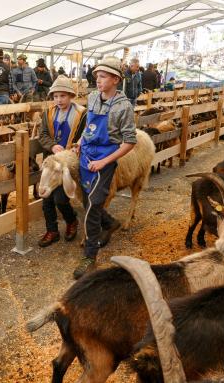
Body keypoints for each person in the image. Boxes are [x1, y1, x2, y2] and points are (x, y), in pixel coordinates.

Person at [72, 56, 136, 279]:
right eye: (96, 76)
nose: (97, 81)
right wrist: (80, 142)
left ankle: (90, 256)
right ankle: (110, 223)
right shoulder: (92, 97)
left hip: (104, 160)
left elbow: (129, 141)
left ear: (116, 79)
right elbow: (89, 124)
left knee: (92, 206)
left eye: (103, 77)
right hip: (86, 156)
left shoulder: (123, 106)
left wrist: (104, 162)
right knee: (88, 200)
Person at [37, 75, 87, 247]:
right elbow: (42, 135)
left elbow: (85, 136)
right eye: (56, 96)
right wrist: (52, 146)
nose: (59, 99)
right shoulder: (48, 113)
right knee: (46, 199)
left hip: (69, 164)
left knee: (61, 199)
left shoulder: (81, 114)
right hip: (52, 163)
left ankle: (71, 220)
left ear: (71, 96)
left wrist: (77, 147)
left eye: (63, 96)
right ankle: (52, 231)